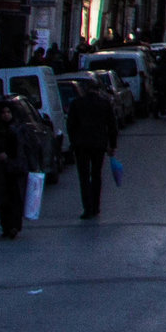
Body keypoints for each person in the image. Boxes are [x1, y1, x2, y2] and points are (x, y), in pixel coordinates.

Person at [65, 66, 119, 220]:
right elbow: (112, 125)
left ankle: (87, 208)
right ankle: (96, 206)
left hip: (81, 145)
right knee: (96, 175)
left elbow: (70, 125)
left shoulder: (77, 103)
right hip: (98, 144)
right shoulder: (104, 103)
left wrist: (74, 141)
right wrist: (112, 145)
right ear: (98, 90)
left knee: (83, 177)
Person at [0, 112, 30, 241]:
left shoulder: (18, 127)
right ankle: (6, 226)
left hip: (16, 168)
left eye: (8, 112)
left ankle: (15, 226)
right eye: (3, 112)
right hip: (2, 170)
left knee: (16, 198)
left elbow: (26, 146)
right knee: (4, 199)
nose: (6, 115)